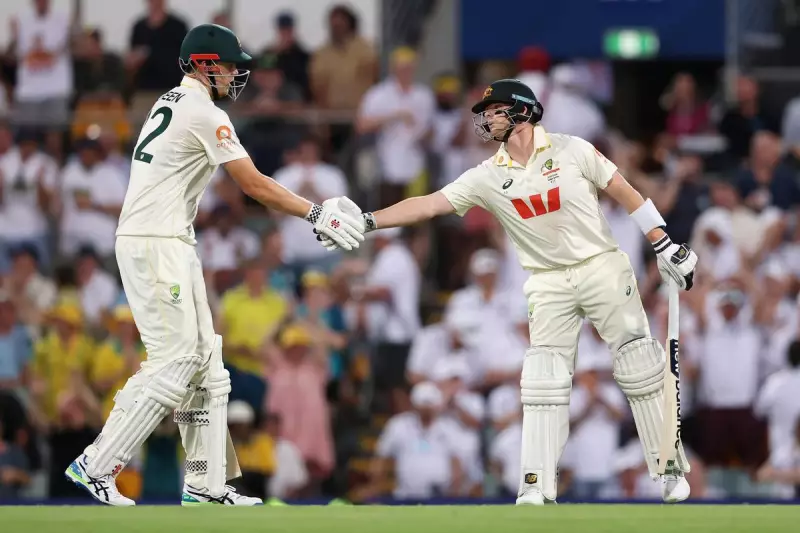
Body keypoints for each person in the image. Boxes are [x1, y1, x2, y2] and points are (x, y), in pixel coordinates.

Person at [317, 78, 699, 505]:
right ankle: (536, 483)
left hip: (600, 266)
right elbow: (428, 203)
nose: (487, 119)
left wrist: (664, 244)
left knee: (638, 363)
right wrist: (368, 221)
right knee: (542, 378)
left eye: (496, 110)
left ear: (521, 111)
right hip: (546, 280)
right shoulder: (488, 175)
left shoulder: (572, 149)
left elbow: (625, 192)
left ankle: (667, 468)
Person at [64, 23, 365, 507]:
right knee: (177, 361)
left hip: (170, 241)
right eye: (228, 65)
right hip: (155, 242)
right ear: (204, 65)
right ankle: (97, 464)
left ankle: (204, 482)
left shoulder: (171, 101)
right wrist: (315, 211)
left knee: (208, 364)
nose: (235, 74)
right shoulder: (203, 112)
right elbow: (255, 185)